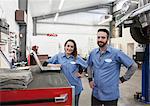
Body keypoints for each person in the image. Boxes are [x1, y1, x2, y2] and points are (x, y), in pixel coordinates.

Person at [87, 29, 138, 106]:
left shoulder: (116, 53)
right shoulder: (93, 53)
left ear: (107, 39)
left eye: (103, 37)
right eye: (98, 37)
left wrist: (123, 79)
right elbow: (89, 65)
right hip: (96, 93)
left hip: (110, 95)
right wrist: (90, 79)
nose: (100, 39)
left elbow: (133, 66)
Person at [47, 39, 87, 106]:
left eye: (72, 47)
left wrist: (82, 74)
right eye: (68, 46)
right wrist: (55, 65)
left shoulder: (76, 58)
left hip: (75, 86)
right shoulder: (58, 56)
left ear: (74, 48)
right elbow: (46, 63)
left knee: (74, 104)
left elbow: (87, 66)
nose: (69, 48)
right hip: (62, 86)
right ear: (65, 47)